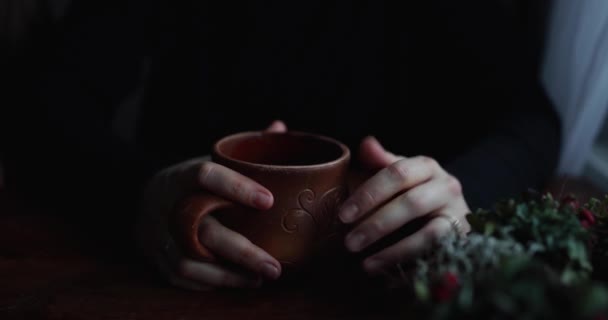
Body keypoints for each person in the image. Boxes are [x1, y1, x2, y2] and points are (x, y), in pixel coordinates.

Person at [4, 0, 561, 290]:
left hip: (373, 287)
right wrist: (138, 196)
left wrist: (456, 191)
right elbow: (43, 108)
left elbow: (532, 120)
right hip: (183, 278)